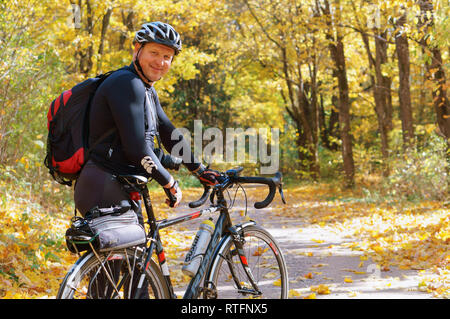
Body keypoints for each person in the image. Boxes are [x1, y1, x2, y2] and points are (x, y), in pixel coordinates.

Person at [74, 21, 219, 222]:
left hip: (118, 185)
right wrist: (169, 183)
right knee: (125, 251)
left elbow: (169, 134)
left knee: (138, 252)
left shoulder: (146, 90)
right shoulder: (127, 83)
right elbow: (136, 149)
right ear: (137, 50)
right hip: (102, 185)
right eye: (154, 53)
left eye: (167, 57)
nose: (160, 62)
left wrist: (199, 170)